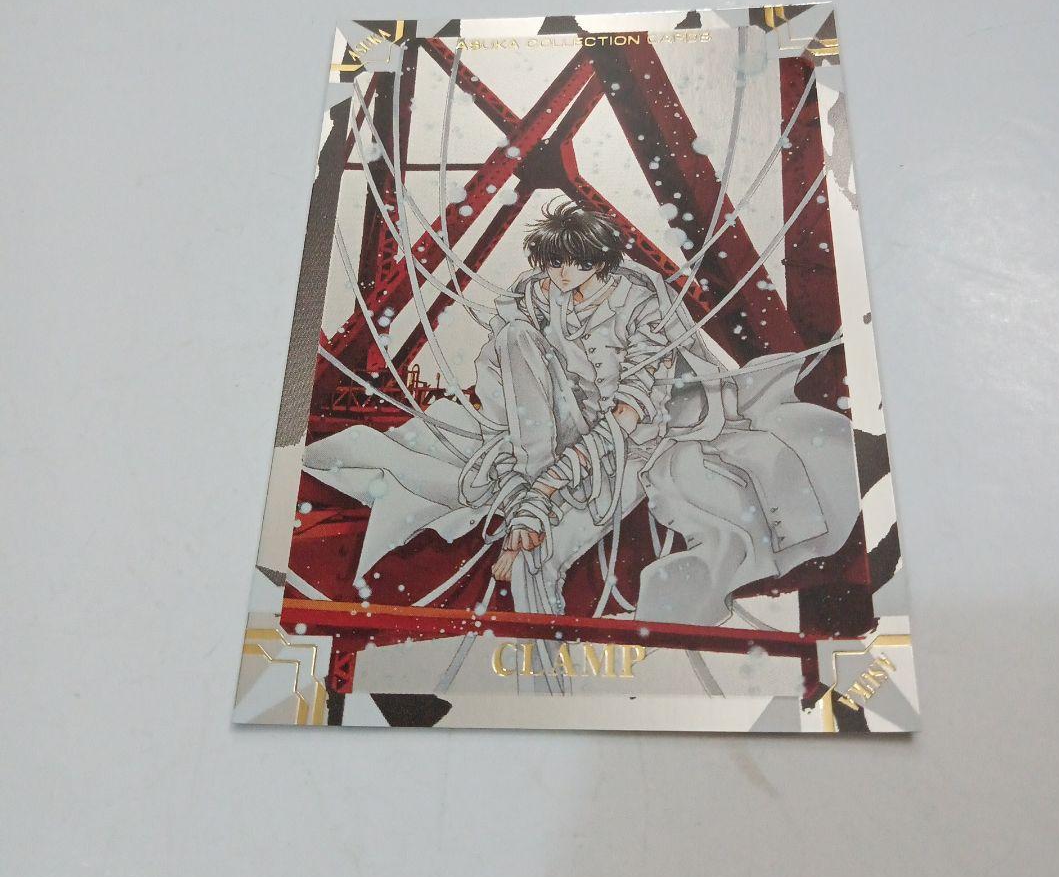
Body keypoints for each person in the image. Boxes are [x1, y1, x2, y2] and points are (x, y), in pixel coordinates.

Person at [304, 200, 859, 624]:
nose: (560, 275)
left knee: (541, 555)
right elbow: (508, 369)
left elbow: (630, 414)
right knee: (513, 345)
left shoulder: (642, 305)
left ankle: (551, 654)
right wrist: (530, 457)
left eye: (573, 263)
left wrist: (545, 491)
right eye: (552, 263)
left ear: (601, 262)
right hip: (556, 427)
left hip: (636, 440)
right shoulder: (534, 295)